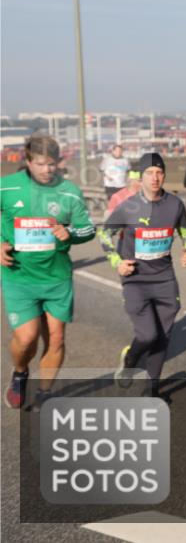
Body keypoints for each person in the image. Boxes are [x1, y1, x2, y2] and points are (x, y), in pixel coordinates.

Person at [1, 134, 95, 409]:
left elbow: (88, 229)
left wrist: (71, 233)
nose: (46, 170)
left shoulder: (69, 192)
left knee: (56, 337)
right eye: (40, 164)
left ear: (59, 162)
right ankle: (19, 373)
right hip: (19, 276)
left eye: (51, 164)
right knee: (26, 338)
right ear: (28, 161)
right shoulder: (6, 187)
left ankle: (44, 393)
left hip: (57, 277)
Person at [98, 153, 186, 401]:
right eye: (149, 173)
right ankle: (131, 358)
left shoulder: (174, 204)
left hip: (164, 279)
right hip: (136, 280)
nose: (155, 178)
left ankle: (152, 389)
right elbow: (105, 235)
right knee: (147, 335)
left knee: (164, 336)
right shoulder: (129, 206)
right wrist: (117, 262)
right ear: (140, 177)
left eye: (159, 172)